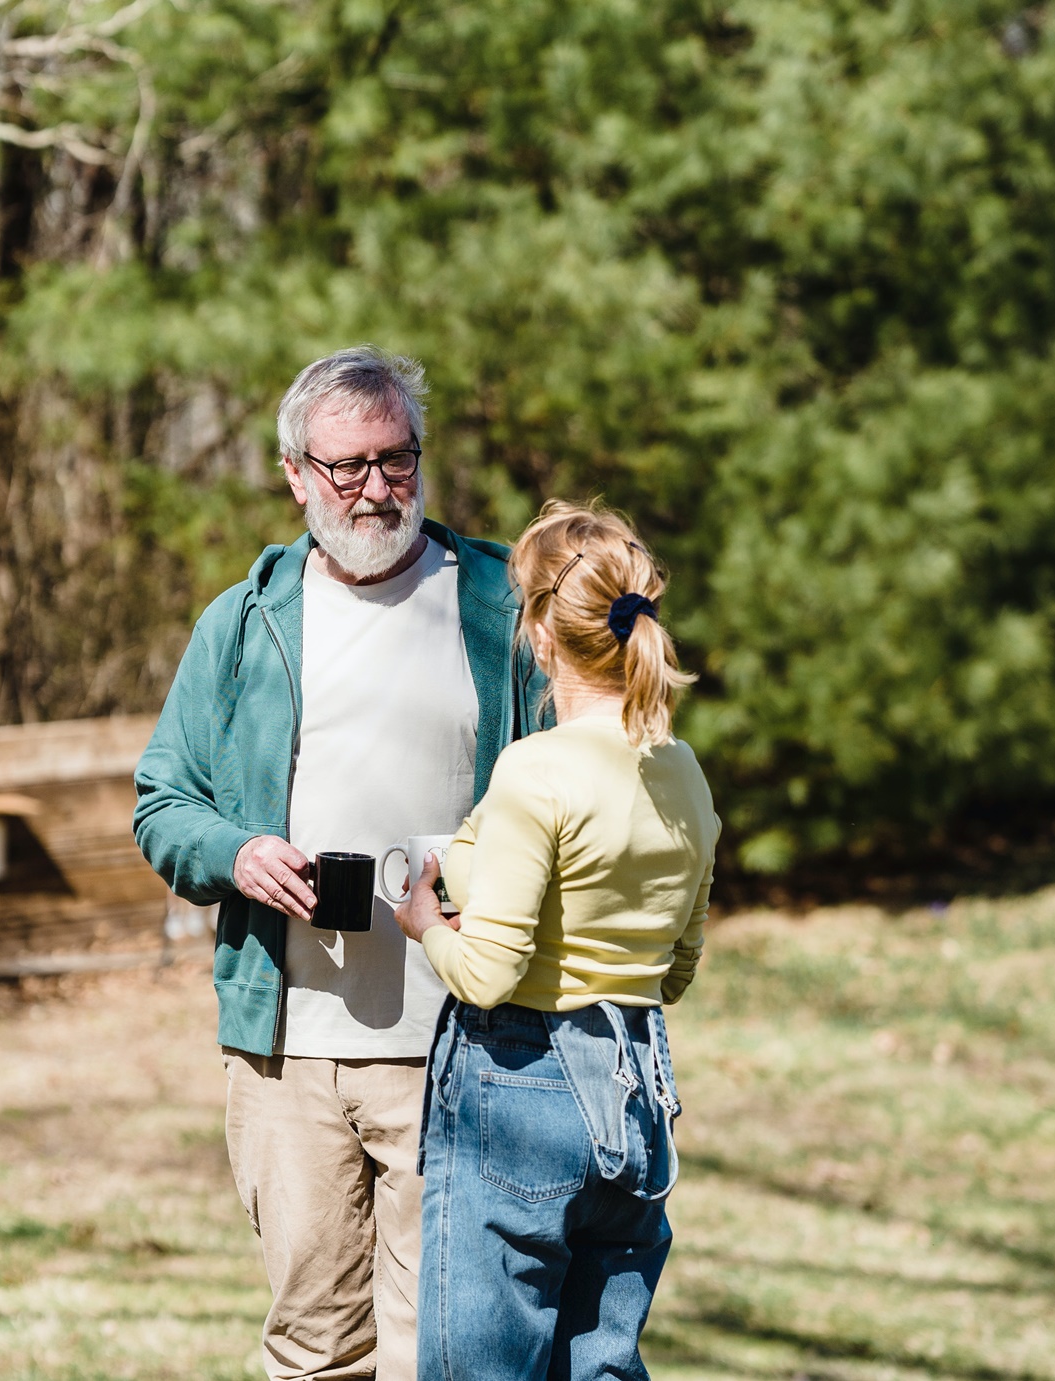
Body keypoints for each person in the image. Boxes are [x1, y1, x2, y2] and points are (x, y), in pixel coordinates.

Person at [133, 346, 547, 1380]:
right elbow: (161, 803)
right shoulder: (243, 622)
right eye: (346, 466)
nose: (375, 488)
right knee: (314, 1346)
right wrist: (237, 853)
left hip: (463, 1037)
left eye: (396, 458)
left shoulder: (502, 605)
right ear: (294, 474)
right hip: (287, 1048)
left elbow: (580, 779)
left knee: (440, 1351)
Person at [394, 499, 720, 1381]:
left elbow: (490, 973)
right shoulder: (682, 770)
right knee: (600, 1365)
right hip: (639, 1088)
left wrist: (426, 922)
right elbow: (677, 967)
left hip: (521, 1086)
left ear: (540, 631)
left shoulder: (536, 768)